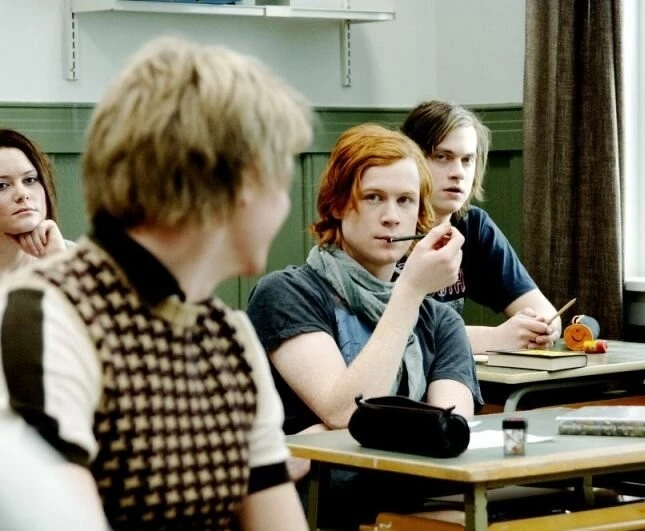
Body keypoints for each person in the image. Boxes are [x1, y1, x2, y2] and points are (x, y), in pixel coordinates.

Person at [0, 36, 313, 530]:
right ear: (238, 184)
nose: (285, 203)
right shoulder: (44, 314)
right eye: (281, 177)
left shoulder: (230, 336)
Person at [246, 123, 483, 528]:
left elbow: (447, 434)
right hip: (314, 511)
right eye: (374, 197)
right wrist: (409, 291)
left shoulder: (440, 319)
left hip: (413, 501)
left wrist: (320, 437)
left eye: (406, 201)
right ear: (338, 205)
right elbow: (344, 409)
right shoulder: (288, 293)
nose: (391, 217)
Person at [401, 100, 560, 354]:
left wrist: (542, 328)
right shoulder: (386, 228)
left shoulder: (472, 225)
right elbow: (391, 333)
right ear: (412, 160)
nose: (458, 173)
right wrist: (495, 337)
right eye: (442, 157)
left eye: (467, 160)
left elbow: (544, 313)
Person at [0, 128, 68, 277]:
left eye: (30, 180)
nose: (22, 194)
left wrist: (56, 263)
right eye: (2, 185)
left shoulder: (77, 260)